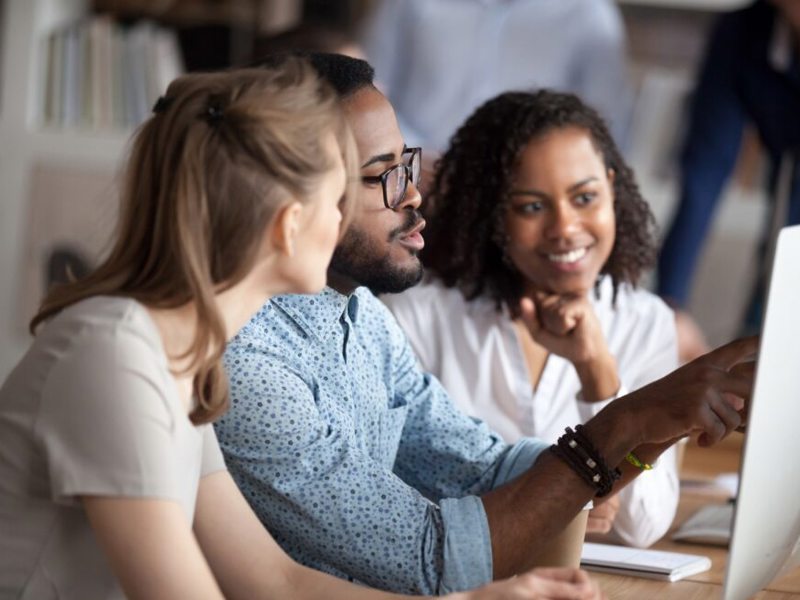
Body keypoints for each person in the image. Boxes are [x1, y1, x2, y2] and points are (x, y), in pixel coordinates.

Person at [0, 61, 605, 600]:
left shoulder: (180, 356)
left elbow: (272, 580)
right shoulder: (116, 354)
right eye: (338, 195)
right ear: (290, 223)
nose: (403, 199)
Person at [217, 52, 756, 595]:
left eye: (406, 165)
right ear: (294, 198)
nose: (412, 193)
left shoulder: (362, 318)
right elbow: (424, 556)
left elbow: (494, 472)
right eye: (383, 175)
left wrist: (665, 419)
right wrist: (636, 416)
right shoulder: (250, 365)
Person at [383, 90, 679, 549]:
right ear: (492, 215)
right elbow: (388, 493)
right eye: (532, 207)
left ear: (612, 189)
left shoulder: (644, 321)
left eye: (585, 197)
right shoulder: (419, 315)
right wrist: (558, 494)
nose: (565, 226)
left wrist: (597, 372)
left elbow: (644, 525)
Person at [657, 0, 800, 346]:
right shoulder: (744, 34)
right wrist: (668, 308)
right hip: (784, 199)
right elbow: (703, 173)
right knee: (763, 331)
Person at [359, 0, 632, 153]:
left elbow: (603, 124)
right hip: (413, 177)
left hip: (521, 190)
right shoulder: (407, 5)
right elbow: (368, 88)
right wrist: (415, 155)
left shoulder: (589, 13)